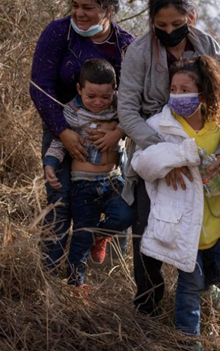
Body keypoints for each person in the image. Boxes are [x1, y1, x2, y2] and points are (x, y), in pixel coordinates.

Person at [118, 0, 220, 316]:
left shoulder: (208, 46)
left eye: (177, 24)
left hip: (206, 155)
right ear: (151, 22)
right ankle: (147, 303)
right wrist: (167, 157)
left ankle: (205, 287)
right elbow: (128, 112)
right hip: (153, 149)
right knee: (147, 229)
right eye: (161, 26)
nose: (170, 32)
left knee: (209, 226)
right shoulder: (139, 52)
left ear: (191, 16)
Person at [130, 56, 220, 340]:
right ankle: (187, 339)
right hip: (182, 220)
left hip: (216, 217)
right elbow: (141, 163)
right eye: (173, 89)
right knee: (189, 285)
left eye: (184, 90)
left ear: (202, 94)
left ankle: (212, 285)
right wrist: (177, 157)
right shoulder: (160, 125)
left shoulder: (218, 124)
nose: (176, 95)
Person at [30, 0, 136, 275]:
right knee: (60, 203)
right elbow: (40, 85)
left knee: (118, 204)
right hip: (62, 130)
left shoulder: (126, 46)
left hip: (111, 139)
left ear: (108, 10)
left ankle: (112, 280)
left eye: (87, 7)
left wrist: (117, 131)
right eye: (75, 5)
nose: (78, 13)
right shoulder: (58, 33)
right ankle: (51, 276)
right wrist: (63, 133)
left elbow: (137, 98)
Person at [43, 59, 133, 287]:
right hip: (83, 185)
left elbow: (135, 119)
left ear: (114, 90)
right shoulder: (72, 114)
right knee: (81, 238)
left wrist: (116, 130)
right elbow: (58, 142)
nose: (98, 102)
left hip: (113, 180)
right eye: (91, 96)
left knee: (127, 214)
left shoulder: (121, 108)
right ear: (79, 89)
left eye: (105, 96)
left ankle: (100, 235)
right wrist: (50, 164)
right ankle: (76, 283)